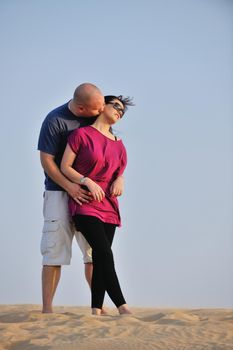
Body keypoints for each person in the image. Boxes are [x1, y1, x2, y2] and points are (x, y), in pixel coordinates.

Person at [38, 83, 114, 313]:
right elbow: (47, 161)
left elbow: (112, 149)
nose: (102, 110)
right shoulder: (55, 120)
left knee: (94, 252)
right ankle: (47, 310)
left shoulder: (97, 117)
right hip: (58, 192)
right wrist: (70, 186)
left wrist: (118, 179)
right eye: (97, 108)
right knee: (54, 251)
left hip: (92, 196)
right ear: (81, 108)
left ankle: (98, 308)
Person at [61, 95, 133, 315]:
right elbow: (65, 167)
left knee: (101, 257)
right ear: (102, 106)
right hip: (84, 202)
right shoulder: (81, 135)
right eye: (117, 106)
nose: (119, 112)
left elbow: (119, 172)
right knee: (103, 252)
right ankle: (123, 306)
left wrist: (120, 179)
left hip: (109, 206)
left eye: (123, 112)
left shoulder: (119, 146)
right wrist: (86, 181)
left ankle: (95, 310)